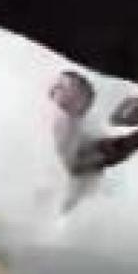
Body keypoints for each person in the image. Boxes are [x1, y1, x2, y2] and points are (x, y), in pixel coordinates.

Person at [49, 70, 102, 213]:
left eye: (62, 87)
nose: (55, 89)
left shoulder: (89, 133)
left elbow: (89, 176)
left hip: (72, 194)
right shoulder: (54, 119)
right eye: (57, 85)